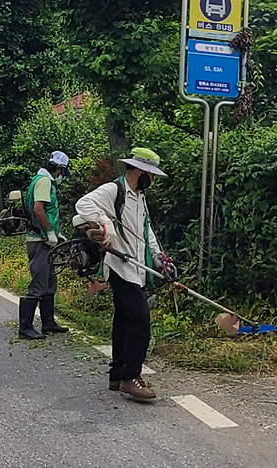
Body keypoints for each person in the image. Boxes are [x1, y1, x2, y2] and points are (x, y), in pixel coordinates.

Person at [75, 147, 171, 401]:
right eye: (150, 175)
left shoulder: (139, 196)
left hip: (136, 266)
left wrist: (161, 259)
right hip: (120, 266)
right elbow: (82, 204)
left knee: (123, 320)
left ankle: (117, 375)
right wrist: (105, 225)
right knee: (140, 318)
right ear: (140, 171)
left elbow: (146, 231)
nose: (151, 181)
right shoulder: (113, 190)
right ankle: (131, 376)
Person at [19, 151, 72, 340]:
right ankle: (25, 327)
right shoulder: (44, 181)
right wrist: (49, 231)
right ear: (58, 168)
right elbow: (38, 209)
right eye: (61, 173)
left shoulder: (40, 180)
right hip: (39, 240)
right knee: (39, 283)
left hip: (45, 239)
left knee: (50, 282)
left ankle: (48, 323)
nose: (61, 177)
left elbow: (42, 212)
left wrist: (55, 234)